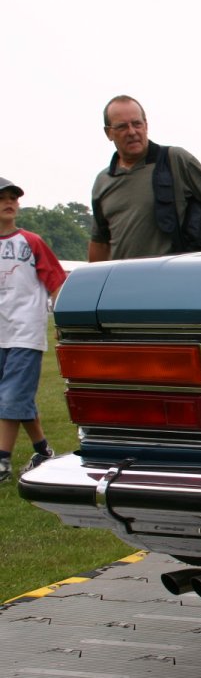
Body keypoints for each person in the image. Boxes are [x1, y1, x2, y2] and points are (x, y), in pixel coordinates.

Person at [89, 95, 201, 261]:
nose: (132, 132)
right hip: (125, 280)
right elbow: (100, 242)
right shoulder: (102, 181)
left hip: (173, 277)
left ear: (146, 125)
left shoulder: (175, 159)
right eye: (122, 127)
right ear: (109, 133)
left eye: (137, 123)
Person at [0, 178, 67, 483]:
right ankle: (42, 450)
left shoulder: (31, 242)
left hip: (25, 331)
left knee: (12, 396)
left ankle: (2, 461)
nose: (9, 202)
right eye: (2, 198)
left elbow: (56, 282)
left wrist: (64, 322)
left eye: (13, 198)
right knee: (16, 398)